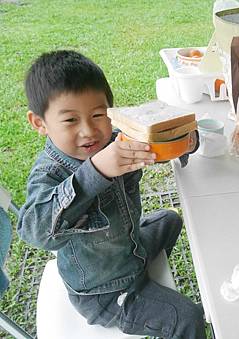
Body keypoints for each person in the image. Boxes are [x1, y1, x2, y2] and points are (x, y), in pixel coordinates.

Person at [17, 50, 205, 339]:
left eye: (98, 115)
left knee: (170, 219)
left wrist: (185, 142)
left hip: (131, 248)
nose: (89, 131)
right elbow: (35, 230)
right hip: (102, 291)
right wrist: (96, 172)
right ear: (40, 123)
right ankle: (142, 295)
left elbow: (156, 147)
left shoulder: (116, 140)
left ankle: (146, 277)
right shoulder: (50, 173)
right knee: (187, 317)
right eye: (70, 120)